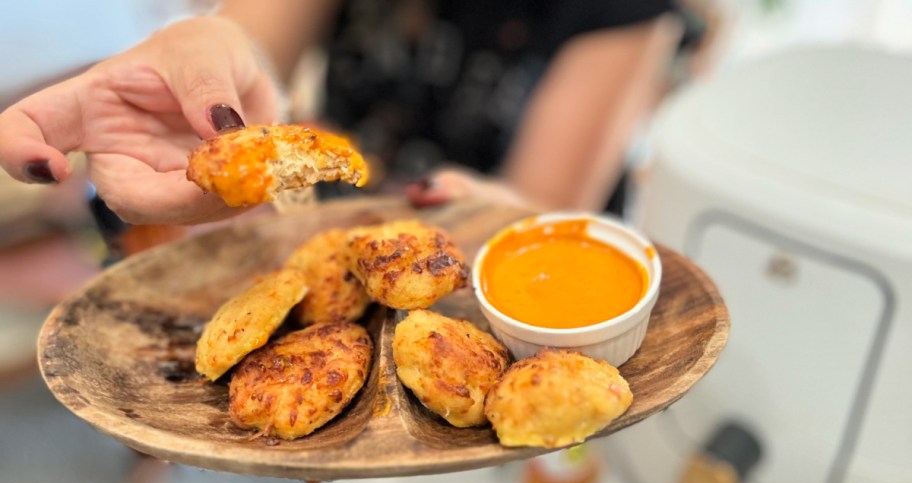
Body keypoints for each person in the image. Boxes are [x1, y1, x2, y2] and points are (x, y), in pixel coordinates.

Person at [0, 0, 680, 226]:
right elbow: (250, 42)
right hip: (325, 228)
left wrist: (490, 218)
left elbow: (544, 204)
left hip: (506, 261)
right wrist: (206, 49)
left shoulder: (624, 12)